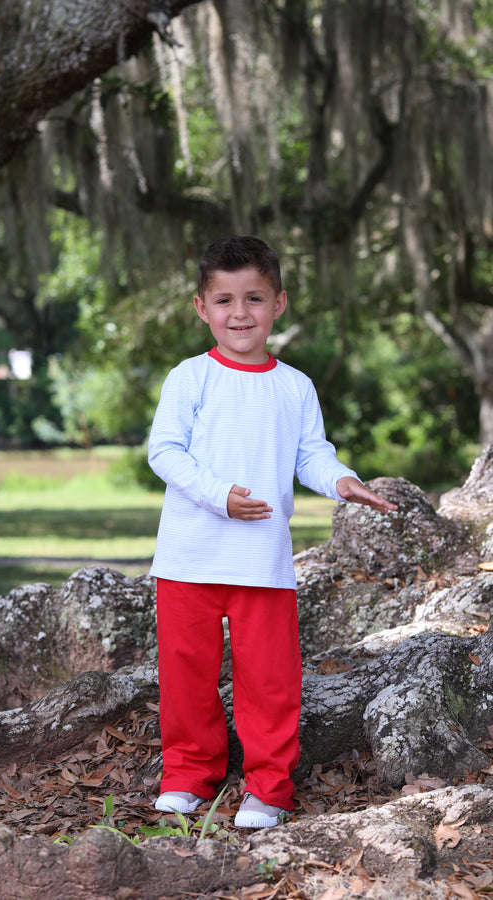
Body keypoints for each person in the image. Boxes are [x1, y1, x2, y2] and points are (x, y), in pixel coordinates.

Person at [147, 235, 397, 828]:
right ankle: (188, 774)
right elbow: (164, 452)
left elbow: (310, 455)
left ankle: (268, 786)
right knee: (187, 678)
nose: (240, 313)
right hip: (189, 558)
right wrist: (219, 497)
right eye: (225, 300)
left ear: (278, 304)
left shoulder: (294, 386)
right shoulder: (190, 378)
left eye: (254, 298)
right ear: (201, 308)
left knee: (270, 682)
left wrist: (341, 481)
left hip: (262, 562)